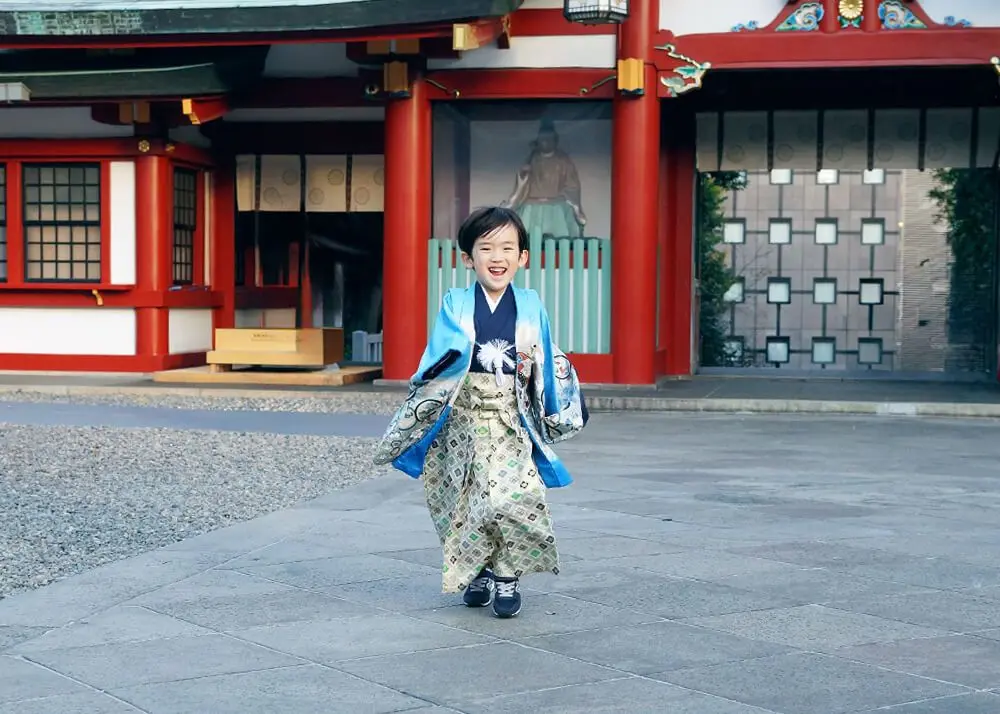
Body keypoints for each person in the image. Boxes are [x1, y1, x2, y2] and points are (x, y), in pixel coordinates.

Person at [373, 206, 588, 619]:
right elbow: (440, 356)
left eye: (508, 247)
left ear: (522, 257)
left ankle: (507, 576)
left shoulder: (530, 303)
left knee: (513, 498)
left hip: (509, 416)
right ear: (468, 257)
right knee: (463, 499)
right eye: (486, 247)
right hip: (462, 417)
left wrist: (549, 385)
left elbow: (544, 352)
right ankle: (480, 570)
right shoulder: (455, 302)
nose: (497, 256)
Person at [501, 118, 587, 239]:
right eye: (542, 139)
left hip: (556, 207)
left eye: (549, 139)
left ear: (555, 140)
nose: (545, 142)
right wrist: (523, 176)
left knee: (561, 240)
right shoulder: (532, 159)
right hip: (532, 206)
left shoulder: (563, 161)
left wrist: (573, 204)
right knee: (526, 239)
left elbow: (572, 186)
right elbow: (522, 184)